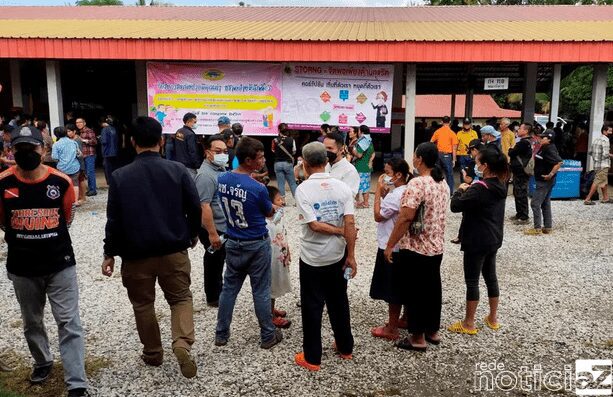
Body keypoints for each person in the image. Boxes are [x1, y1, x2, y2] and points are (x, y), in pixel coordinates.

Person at [102, 116, 201, 379]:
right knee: (180, 298)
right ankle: (181, 342)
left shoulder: (120, 176)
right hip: (173, 250)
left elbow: (114, 219)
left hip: (135, 256)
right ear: (161, 140)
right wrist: (191, 235)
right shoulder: (178, 170)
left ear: (132, 142)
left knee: (143, 305)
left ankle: (153, 352)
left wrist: (109, 252)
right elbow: (194, 207)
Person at [0, 125, 87, 397]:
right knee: (32, 321)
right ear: (11, 151)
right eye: (20, 148)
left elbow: (67, 218)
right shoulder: (2, 182)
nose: (26, 152)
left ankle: (76, 383)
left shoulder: (60, 182)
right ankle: (42, 361)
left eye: (32, 147)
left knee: (69, 322)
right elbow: (3, 221)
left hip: (59, 263)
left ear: (43, 149)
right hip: (23, 267)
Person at [215, 137, 283, 349]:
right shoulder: (258, 188)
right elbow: (269, 211)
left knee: (229, 289)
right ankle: (267, 335)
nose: (263, 160)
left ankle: (221, 334)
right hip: (256, 242)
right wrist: (275, 208)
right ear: (247, 160)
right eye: (260, 157)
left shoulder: (223, 179)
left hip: (233, 241)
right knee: (261, 290)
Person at [294, 142, 357, 371]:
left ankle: (312, 358)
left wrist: (339, 232)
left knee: (312, 306)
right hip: (338, 254)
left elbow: (314, 225)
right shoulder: (342, 188)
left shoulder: (303, 190)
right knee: (339, 301)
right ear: (327, 161)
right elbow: (350, 222)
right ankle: (345, 347)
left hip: (312, 257)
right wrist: (351, 256)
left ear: (306, 163)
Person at [384, 142, 449, 352]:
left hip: (416, 246)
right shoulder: (442, 182)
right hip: (436, 244)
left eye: (414, 155)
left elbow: (405, 217)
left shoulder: (418, 183)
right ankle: (432, 330)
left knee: (415, 292)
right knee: (432, 289)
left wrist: (390, 244)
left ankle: (417, 336)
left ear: (419, 159)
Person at [448, 148, 509, 335]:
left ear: (485, 166)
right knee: (491, 276)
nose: (476, 165)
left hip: (477, 239)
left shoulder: (479, 188)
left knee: (472, 280)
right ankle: (493, 318)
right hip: (493, 237)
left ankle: (469, 323)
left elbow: (455, 206)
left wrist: (460, 190)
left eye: (478, 162)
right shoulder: (501, 184)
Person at [369, 158, 411, 340]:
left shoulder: (396, 195)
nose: (384, 177)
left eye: (387, 173)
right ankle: (406, 318)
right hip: (406, 246)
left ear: (398, 175)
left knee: (393, 287)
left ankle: (392, 327)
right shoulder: (408, 191)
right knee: (405, 284)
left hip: (391, 245)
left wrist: (378, 191)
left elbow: (378, 216)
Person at [195, 134, 228, 308]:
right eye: (218, 151)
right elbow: (204, 206)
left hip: (223, 225)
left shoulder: (220, 169)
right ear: (208, 153)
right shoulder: (206, 176)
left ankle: (220, 291)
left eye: (224, 151)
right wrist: (212, 233)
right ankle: (214, 296)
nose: (222, 154)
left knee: (220, 259)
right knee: (213, 260)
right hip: (213, 227)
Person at [525, 131, 563, 235]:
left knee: (535, 203)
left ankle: (537, 228)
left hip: (544, 181)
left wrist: (550, 174)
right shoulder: (545, 147)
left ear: (549, 139)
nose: (540, 139)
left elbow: (559, 162)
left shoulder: (549, 148)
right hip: (544, 180)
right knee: (545, 203)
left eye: (543, 137)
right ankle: (547, 227)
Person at [265, 186, 292, 329]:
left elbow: (283, 232)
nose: (282, 202)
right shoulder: (264, 222)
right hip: (271, 258)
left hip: (280, 255)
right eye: (278, 199)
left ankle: (271, 308)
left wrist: (288, 250)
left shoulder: (277, 216)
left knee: (275, 283)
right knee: (270, 284)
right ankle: (270, 315)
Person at [451, 139, 483, 245]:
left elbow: (468, 180)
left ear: (474, 150)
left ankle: (461, 236)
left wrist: (464, 173)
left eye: (471, 151)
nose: (470, 154)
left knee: (467, 214)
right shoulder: (489, 158)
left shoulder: (474, 162)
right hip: (485, 189)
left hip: (473, 189)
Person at [508, 122, 534, 223]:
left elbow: (511, 152)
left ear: (526, 131)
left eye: (520, 129)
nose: (517, 130)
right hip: (520, 171)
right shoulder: (528, 141)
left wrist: (511, 149)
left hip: (521, 172)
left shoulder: (523, 143)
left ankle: (524, 216)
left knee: (521, 193)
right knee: (518, 192)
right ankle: (519, 213)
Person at [324, 132, 360, 197]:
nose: (326, 151)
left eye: (330, 148)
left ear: (341, 150)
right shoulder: (323, 166)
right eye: (324, 148)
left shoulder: (349, 171)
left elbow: (349, 196)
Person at [584, 124, 613, 205]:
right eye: (609, 131)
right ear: (604, 131)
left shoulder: (596, 139)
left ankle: (605, 198)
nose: (611, 133)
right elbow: (605, 154)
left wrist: (596, 157)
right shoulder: (606, 140)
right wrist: (611, 155)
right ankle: (588, 199)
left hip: (596, 164)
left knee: (604, 181)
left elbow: (590, 152)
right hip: (603, 165)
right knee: (597, 181)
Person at [430, 116, 458, 194]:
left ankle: (437, 190)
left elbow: (431, 142)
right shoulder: (452, 133)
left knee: (437, 173)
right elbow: (454, 147)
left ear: (442, 122)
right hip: (447, 155)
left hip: (438, 154)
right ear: (449, 122)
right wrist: (454, 159)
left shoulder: (437, 131)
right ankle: (450, 192)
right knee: (449, 174)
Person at [52, 126, 81, 201]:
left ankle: (65, 201)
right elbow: (79, 154)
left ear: (56, 134)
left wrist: (60, 162)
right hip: (74, 166)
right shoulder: (73, 142)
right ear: (65, 133)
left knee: (63, 184)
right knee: (75, 184)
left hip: (62, 168)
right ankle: (75, 201)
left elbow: (54, 157)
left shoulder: (56, 144)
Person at [272, 123, 298, 199]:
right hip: (288, 163)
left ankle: (282, 201)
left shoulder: (275, 140)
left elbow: (273, 150)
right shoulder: (291, 140)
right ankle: (296, 200)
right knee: (292, 183)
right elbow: (294, 151)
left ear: (279, 130)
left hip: (277, 163)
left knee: (280, 183)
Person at [352, 125, 375, 208]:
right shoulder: (370, 141)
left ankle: (359, 202)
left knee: (358, 185)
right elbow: (373, 154)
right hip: (367, 167)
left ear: (361, 132)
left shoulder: (362, 142)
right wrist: (370, 161)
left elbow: (359, 155)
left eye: (358, 131)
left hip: (360, 167)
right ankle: (366, 203)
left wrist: (353, 151)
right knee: (366, 186)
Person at [75, 118, 97, 196]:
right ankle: (91, 189)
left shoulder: (89, 131)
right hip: (83, 155)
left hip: (90, 154)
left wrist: (83, 140)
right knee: (87, 172)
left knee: (90, 172)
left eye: (80, 122)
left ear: (84, 123)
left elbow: (94, 141)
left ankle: (93, 190)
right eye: (77, 122)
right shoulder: (79, 132)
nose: (78, 124)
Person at [67, 124, 87, 206]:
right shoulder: (71, 139)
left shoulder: (77, 140)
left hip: (79, 162)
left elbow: (79, 153)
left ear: (74, 131)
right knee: (78, 180)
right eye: (67, 131)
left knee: (81, 179)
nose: (68, 133)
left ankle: (83, 198)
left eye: (69, 131)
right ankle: (80, 197)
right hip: (75, 162)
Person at [100, 116, 119, 185]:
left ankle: (109, 182)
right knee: (113, 167)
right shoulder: (114, 129)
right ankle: (114, 180)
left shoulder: (104, 129)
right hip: (114, 151)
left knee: (107, 167)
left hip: (107, 151)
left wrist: (100, 138)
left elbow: (104, 141)